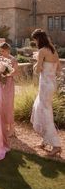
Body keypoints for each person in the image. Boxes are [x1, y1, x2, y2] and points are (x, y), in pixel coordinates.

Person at [30, 29, 62, 157]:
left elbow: (37, 70)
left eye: (34, 40)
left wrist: (36, 62)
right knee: (39, 109)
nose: (35, 42)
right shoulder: (53, 49)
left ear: (38, 39)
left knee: (45, 113)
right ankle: (44, 140)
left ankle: (56, 145)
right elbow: (58, 69)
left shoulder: (42, 51)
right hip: (51, 84)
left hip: (45, 86)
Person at [0, 42, 18, 140]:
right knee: (2, 105)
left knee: (9, 105)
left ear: (7, 50)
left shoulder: (13, 59)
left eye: (2, 51)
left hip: (9, 84)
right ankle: (4, 127)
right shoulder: (0, 59)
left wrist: (7, 74)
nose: (1, 53)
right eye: (0, 51)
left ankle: (12, 129)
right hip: (1, 84)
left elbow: (16, 72)